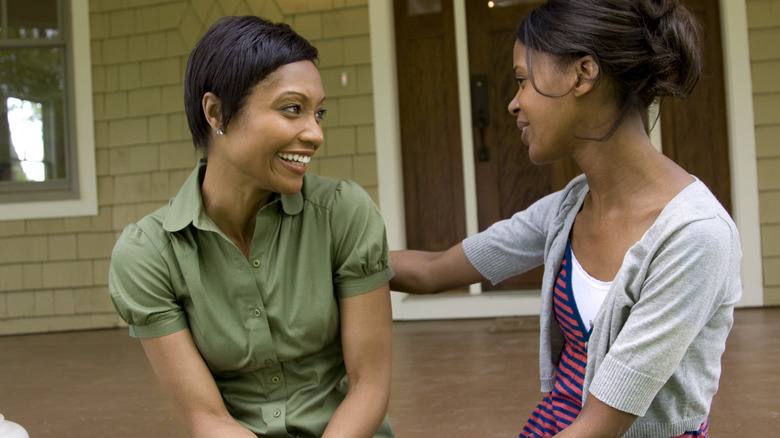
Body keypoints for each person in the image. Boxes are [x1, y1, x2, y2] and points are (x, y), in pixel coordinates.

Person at [390, 0, 742, 437]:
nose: (512, 105)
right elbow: (430, 271)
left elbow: (602, 424)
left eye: (522, 81)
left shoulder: (695, 236)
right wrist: (317, 257)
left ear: (583, 74)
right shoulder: (570, 207)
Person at [109, 16, 394, 438]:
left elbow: (369, 385)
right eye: (292, 108)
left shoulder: (343, 212)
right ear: (216, 112)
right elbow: (206, 417)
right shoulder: (149, 255)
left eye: (319, 113)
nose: (315, 133)